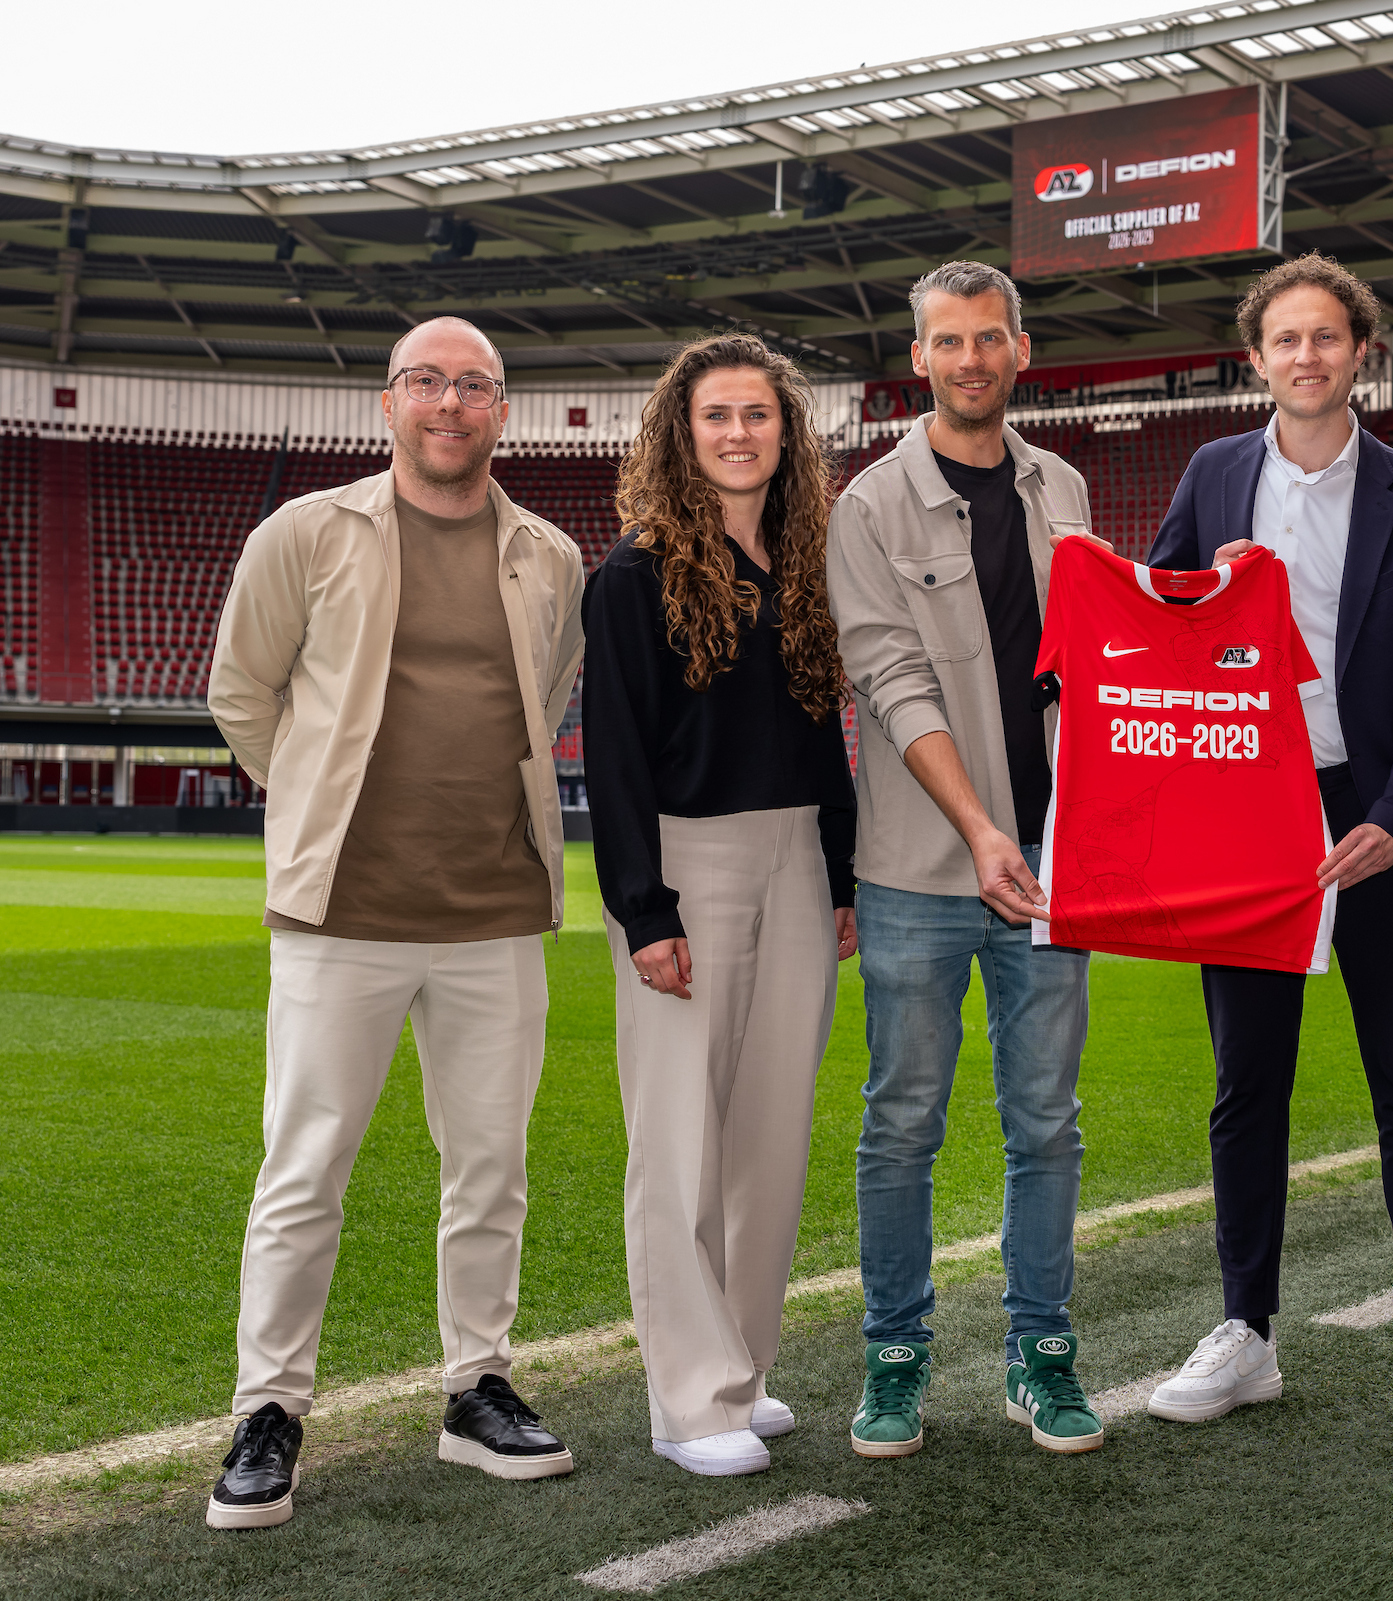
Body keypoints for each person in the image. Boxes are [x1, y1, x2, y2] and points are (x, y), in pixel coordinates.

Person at [204, 317, 584, 1529]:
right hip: (341, 913)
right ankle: (268, 1409)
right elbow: (240, 691)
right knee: (303, 1168)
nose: (449, 403)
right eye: (427, 381)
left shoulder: (550, 555)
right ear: (389, 402)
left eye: (473, 385)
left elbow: (546, 699)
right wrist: (315, 802)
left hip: (496, 911)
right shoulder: (307, 532)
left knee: (491, 1169)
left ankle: (477, 1385)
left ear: (501, 410)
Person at [1140, 253, 1393, 1435]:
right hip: (1247, 814)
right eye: (1285, 338)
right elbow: (1160, 624)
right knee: (1248, 1083)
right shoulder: (1214, 472)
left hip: (1374, 813)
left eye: (1326, 336)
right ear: (1258, 358)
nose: (1306, 355)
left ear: (1359, 352)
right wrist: (1202, 588)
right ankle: (1247, 1330)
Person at [826, 262, 1104, 1457]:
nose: (972, 359)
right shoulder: (869, 505)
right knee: (903, 1121)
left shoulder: (1066, 489)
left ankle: (1041, 1354)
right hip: (919, 870)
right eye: (949, 341)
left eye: (990, 338)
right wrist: (982, 828)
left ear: (1020, 349)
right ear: (920, 357)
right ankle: (894, 1357)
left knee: (1046, 1122)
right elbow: (888, 678)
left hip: (1055, 865)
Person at [582, 334, 859, 1477]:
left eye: (758, 414)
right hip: (687, 862)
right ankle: (687, 1399)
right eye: (717, 415)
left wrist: (840, 874)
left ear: (787, 432)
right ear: (680, 433)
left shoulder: (807, 561)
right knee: (680, 1139)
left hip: (799, 857)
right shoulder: (635, 572)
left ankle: (742, 1367)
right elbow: (613, 755)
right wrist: (644, 910)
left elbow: (824, 737)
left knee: (769, 1138)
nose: (739, 432)